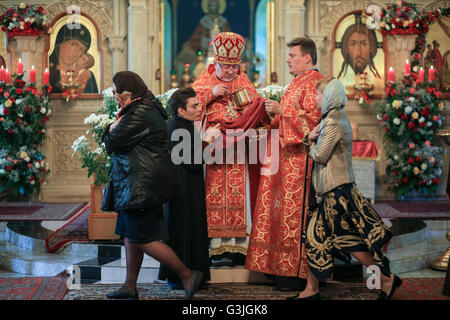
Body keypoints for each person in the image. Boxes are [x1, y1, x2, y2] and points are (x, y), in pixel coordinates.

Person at [287, 77, 401, 300]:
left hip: (335, 191)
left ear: (329, 96)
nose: (316, 98)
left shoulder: (333, 120)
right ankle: (311, 290)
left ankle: (386, 278)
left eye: (319, 95)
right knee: (315, 239)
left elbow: (320, 156)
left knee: (347, 241)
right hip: (330, 190)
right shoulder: (331, 118)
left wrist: (308, 140)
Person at [102, 71, 203, 300]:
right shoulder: (142, 107)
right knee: (130, 234)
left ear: (129, 93)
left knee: (144, 238)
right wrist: (113, 126)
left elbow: (113, 142)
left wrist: (109, 129)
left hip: (141, 184)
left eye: (117, 92)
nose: (116, 96)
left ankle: (187, 275)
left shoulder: (140, 112)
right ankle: (129, 286)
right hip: (137, 182)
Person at [246, 37, 324, 291]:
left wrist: (282, 110)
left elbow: (314, 121)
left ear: (308, 58)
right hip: (284, 163)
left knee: (294, 219)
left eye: (292, 55)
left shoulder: (314, 82)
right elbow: (288, 119)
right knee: (278, 216)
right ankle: (277, 268)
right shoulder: (297, 82)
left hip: (299, 166)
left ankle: (294, 274)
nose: (288, 59)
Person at [192, 32, 270, 266]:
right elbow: (188, 108)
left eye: (234, 67)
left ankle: (238, 247)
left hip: (238, 153)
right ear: (215, 63)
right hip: (213, 153)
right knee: (212, 197)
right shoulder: (202, 84)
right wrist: (211, 94)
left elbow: (257, 110)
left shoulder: (242, 81)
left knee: (240, 195)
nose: (231, 72)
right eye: (226, 67)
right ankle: (215, 246)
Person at [158, 87, 211, 289]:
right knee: (186, 231)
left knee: (184, 231)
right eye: (194, 106)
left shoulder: (180, 126)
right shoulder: (181, 128)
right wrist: (209, 143)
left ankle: (184, 275)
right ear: (181, 110)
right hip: (184, 189)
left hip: (183, 187)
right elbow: (193, 162)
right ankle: (185, 276)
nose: (199, 109)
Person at [49, 24, 98, 93]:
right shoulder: (48, 70)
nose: (77, 52)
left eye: (81, 49)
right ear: (60, 44)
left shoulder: (87, 77)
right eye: (73, 44)